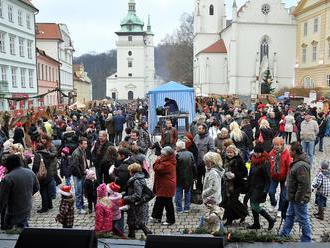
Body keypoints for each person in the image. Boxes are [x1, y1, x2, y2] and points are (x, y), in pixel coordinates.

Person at [280, 142, 312, 242]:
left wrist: (298, 199)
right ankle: (284, 234)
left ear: (294, 152)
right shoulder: (297, 162)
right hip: (293, 197)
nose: (289, 152)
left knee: (303, 218)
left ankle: (307, 239)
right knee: (289, 215)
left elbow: (303, 184)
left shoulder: (301, 166)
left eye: (290, 150)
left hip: (299, 198)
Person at [0, 155, 39, 229]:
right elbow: (37, 187)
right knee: (23, 225)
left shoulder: (8, 178)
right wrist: (27, 194)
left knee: (13, 233)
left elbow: (2, 198)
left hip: (13, 212)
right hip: (27, 206)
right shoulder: (30, 172)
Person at [247, 143, 275, 231]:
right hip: (253, 186)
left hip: (260, 187)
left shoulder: (265, 162)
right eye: (255, 152)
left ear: (261, 153)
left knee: (254, 205)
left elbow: (268, 178)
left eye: (258, 153)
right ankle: (256, 223)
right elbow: (251, 172)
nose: (256, 154)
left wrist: (266, 190)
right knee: (253, 205)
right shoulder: (253, 159)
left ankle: (270, 220)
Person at [123, 163, 152, 238]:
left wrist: (125, 198)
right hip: (135, 204)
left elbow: (137, 195)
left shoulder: (136, 181)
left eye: (130, 171)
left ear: (133, 172)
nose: (129, 172)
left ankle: (149, 235)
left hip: (137, 205)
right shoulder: (140, 178)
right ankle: (131, 235)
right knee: (131, 221)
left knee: (139, 222)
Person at [222, 145, 248, 225]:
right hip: (226, 184)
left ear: (235, 153)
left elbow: (244, 173)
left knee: (232, 202)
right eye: (228, 152)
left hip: (236, 185)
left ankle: (244, 213)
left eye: (231, 152)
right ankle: (230, 219)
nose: (229, 154)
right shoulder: (225, 160)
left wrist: (235, 175)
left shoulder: (238, 160)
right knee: (227, 202)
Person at [151, 146, 177, 226]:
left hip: (166, 186)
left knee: (168, 203)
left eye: (162, 155)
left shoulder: (167, 163)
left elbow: (157, 168)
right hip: (164, 185)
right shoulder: (168, 161)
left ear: (167, 155)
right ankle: (156, 217)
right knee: (159, 200)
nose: (161, 156)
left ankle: (170, 220)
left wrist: (157, 160)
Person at [33, 135, 58, 213]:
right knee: (47, 190)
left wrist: (34, 172)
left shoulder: (38, 155)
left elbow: (35, 166)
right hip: (48, 173)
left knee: (43, 191)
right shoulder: (47, 153)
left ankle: (44, 207)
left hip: (42, 175)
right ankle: (50, 205)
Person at [200, 152, 224, 233]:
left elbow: (213, 188)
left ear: (212, 162)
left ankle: (202, 232)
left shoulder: (213, 172)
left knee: (210, 218)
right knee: (215, 218)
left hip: (211, 199)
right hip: (212, 198)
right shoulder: (210, 170)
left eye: (206, 161)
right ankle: (220, 233)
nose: (205, 163)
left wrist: (204, 193)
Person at [268, 137, 292, 217]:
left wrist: (287, 180)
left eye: (278, 145)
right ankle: (273, 203)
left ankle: (280, 209)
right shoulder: (272, 153)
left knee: (283, 195)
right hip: (274, 176)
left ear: (282, 145)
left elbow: (289, 167)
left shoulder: (286, 153)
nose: (276, 146)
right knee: (271, 191)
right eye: (275, 145)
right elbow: (269, 163)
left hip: (284, 177)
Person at [175, 140, 196, 213]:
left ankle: (179, 208)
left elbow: (175, 168)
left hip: (179, 177)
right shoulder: (190, 154)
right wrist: (194, 176)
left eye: (176, 146)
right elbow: (194, 166)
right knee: (187, 193)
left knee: (178, 193)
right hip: (189, 177)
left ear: (178, 147)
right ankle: (187, 208)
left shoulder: (177, 155)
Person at [194, 123, 215, 191]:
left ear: (204, 129)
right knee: (198, 178)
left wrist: (206, 158)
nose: (199, 130)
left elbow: (212, 149)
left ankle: (206, 191)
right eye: (198, 129)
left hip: (205, 162)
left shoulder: (209, 138)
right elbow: (193, 147)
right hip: (197, 161)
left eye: (201, 129)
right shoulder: (196, 137)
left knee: (206, 178)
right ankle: (198, 191)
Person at [71, 137, 89, 214]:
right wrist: (80, 175)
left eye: (86, 143)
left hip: (82, 174)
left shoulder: (83, 151)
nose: (86, 145)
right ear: (80, 144)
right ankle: (79, 207)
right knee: (78, 191)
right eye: (84, 143)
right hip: (78, 175)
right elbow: (75, 166)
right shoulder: (76, 153)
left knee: (82, 190)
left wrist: (87, 169)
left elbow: (84, 161)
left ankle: (81, 204)